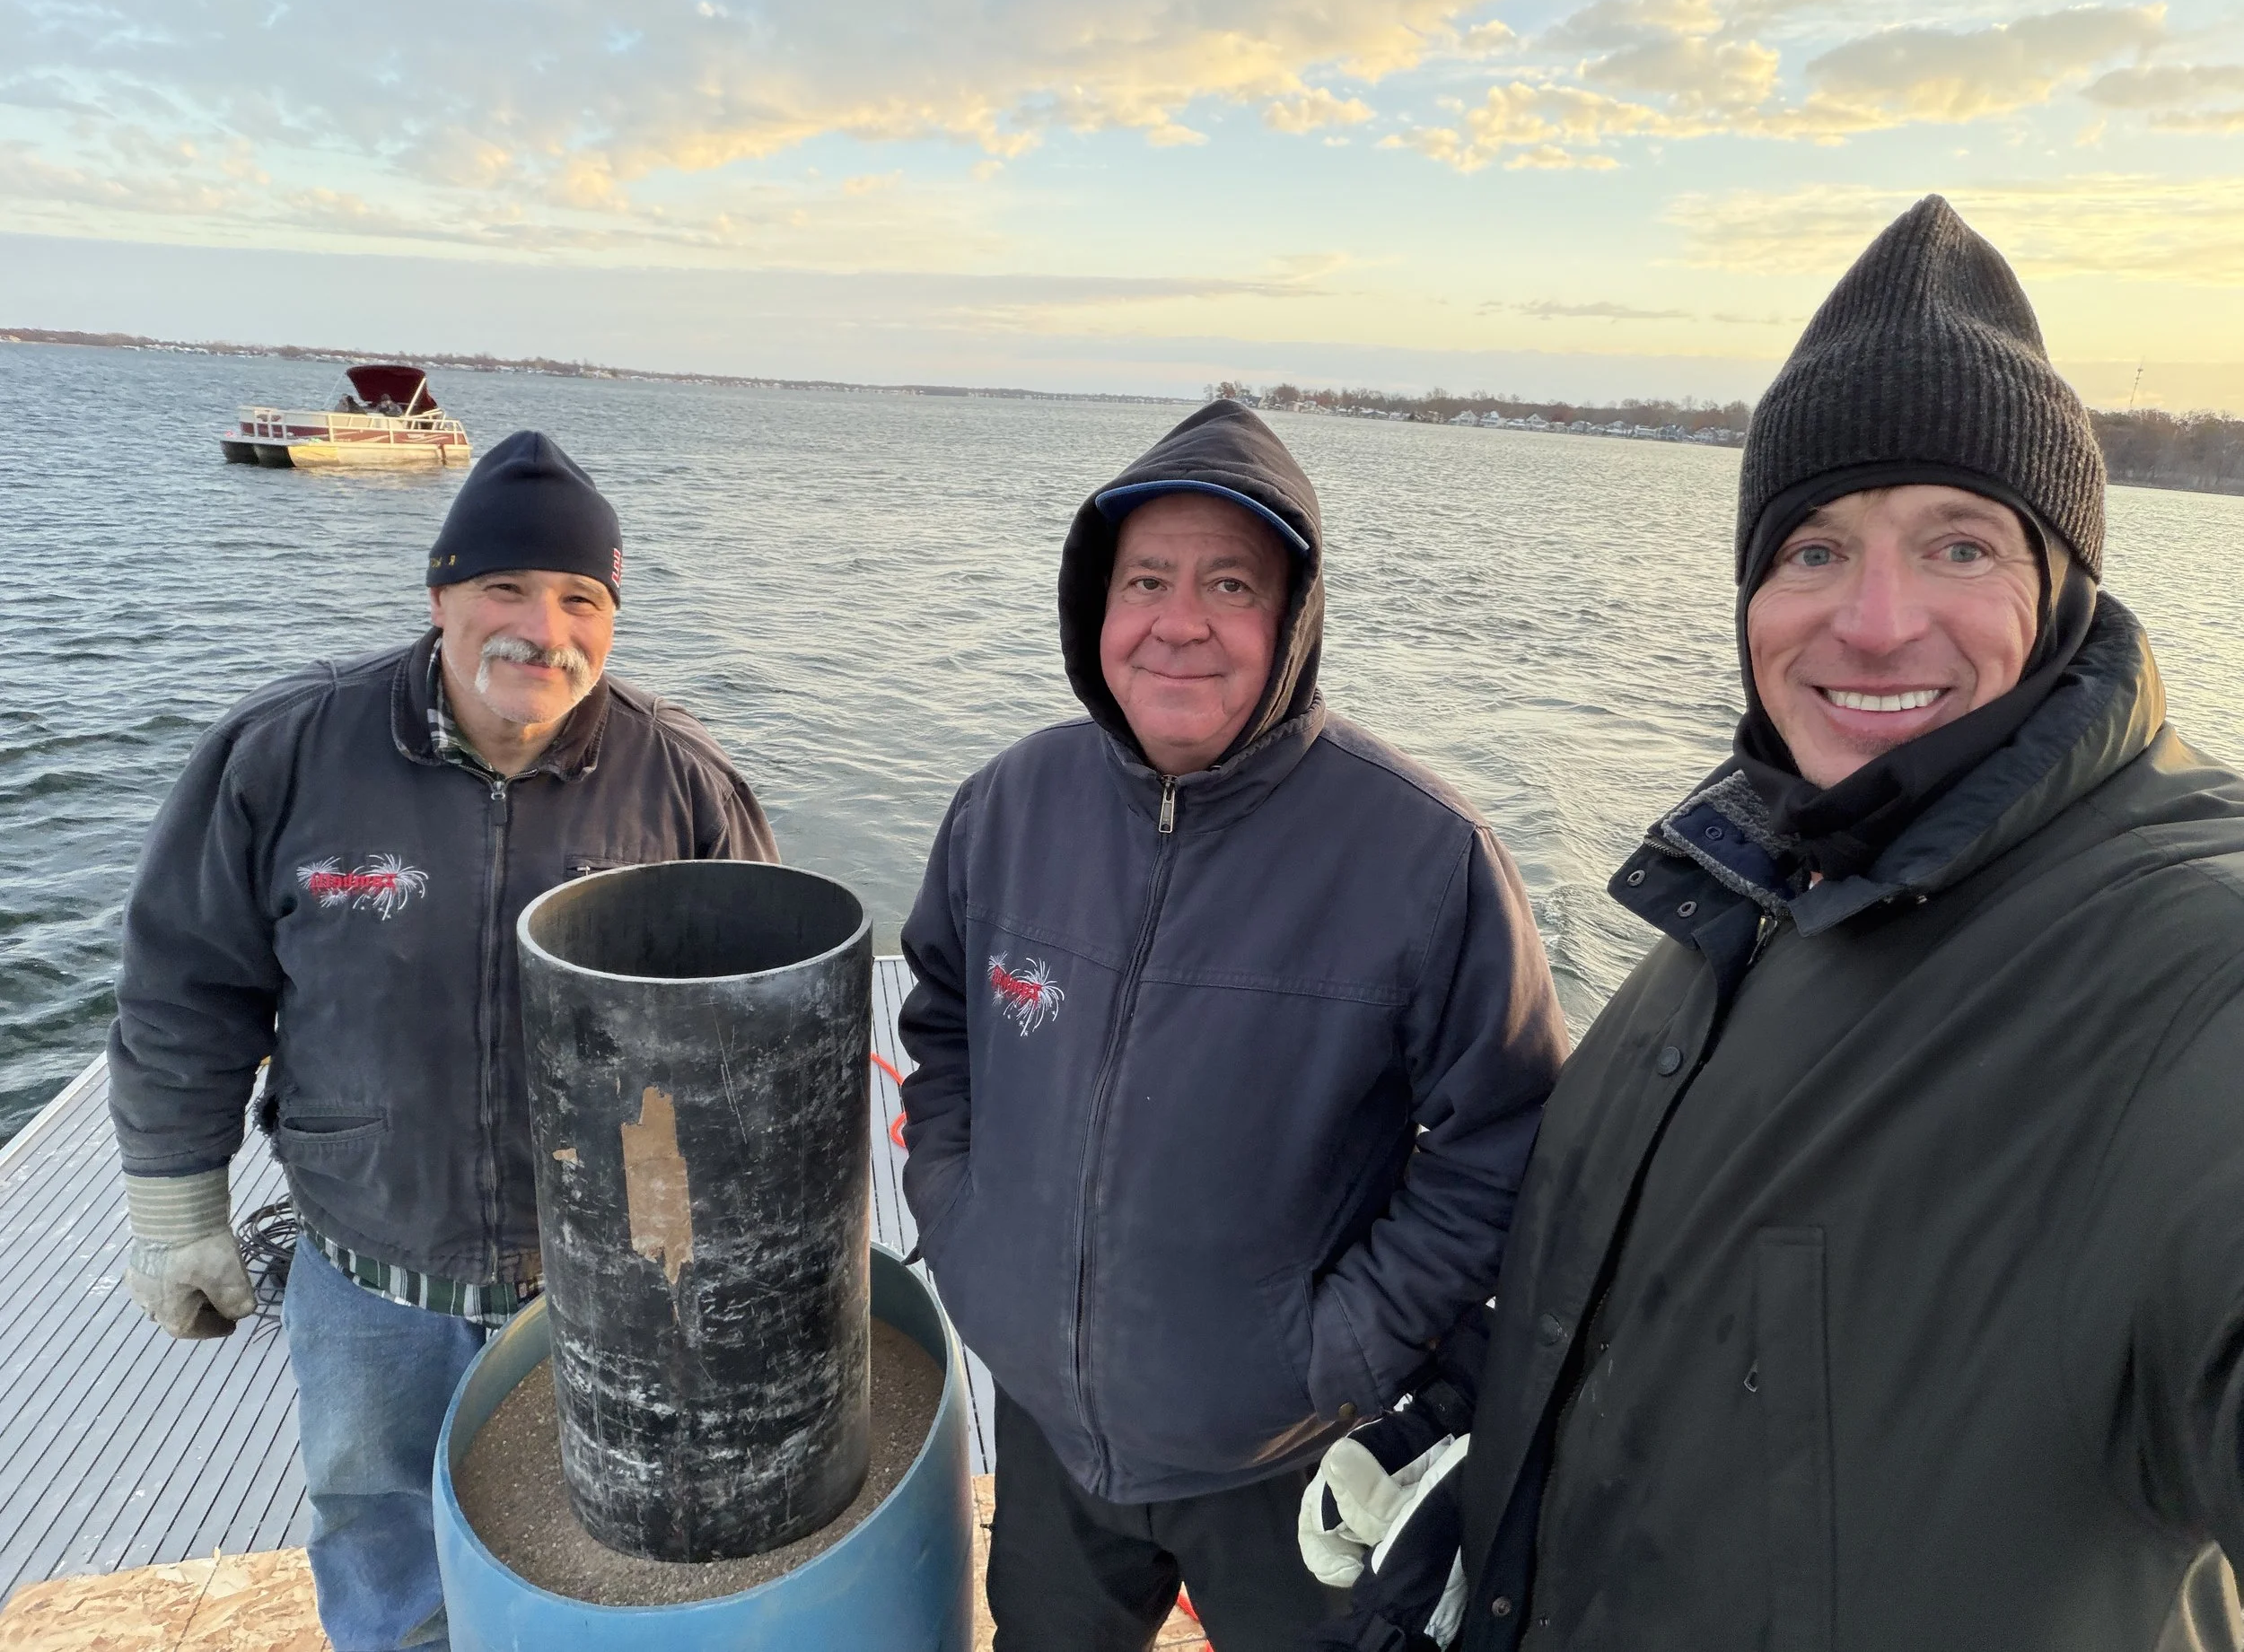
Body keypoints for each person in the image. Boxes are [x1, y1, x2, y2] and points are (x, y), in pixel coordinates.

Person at [1307, 196, 2244, 1652]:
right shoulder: (1741, 904)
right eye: (1813, 548)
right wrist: (1472, 1429)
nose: (1871, 621)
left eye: (1958, 545)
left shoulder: (2175, 961)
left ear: (2062, 585)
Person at [897, 399, 1568, 1652]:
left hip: (1285, 1455)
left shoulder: (1426, 856)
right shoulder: (1006, 806)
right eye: (1147, 578)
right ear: (1097, 606)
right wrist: (960, 1215)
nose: (1181, 619)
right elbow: (939, 1020)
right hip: (1046, 1425)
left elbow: (1509, 1142)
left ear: (1293, 622)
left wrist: (1337, 1348)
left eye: (1230, 583)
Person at [107, 431, 776, 1652]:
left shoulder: (684, 783)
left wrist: (742, 1266)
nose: (543, 627)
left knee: (608, 1559)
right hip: (370, 1274)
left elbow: (758, 1045)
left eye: (581, 597)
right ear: (441, 597)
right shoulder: (287, 750)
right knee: (382, 1544)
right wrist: (175, 1200)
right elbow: (183, 985)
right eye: (505, 589)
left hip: (603, 1295)